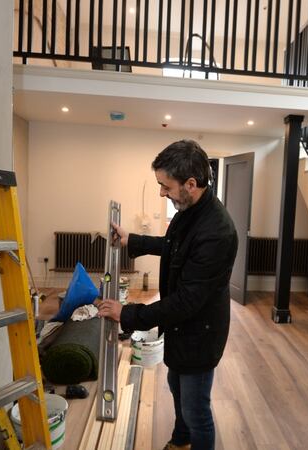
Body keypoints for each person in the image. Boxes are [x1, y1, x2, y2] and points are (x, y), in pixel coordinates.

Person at [97, 140, 238, 450]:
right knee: (176, 384)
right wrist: (132, 240)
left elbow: (187, 301)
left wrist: (128, 313)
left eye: (165, 186)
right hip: (183, 327)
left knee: (195, 408)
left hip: (200, 333)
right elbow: (173, 247)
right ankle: (181, 440)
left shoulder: (216, 231)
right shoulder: (191, 210)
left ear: (191, 183)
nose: (162, 193)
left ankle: (191, 438)